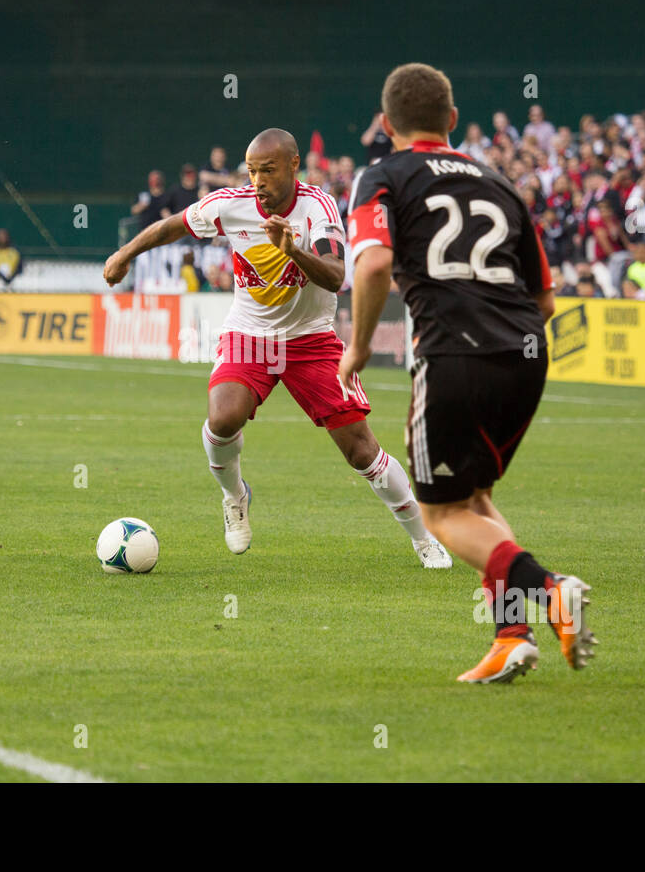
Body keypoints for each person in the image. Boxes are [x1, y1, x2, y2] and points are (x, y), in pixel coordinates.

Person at [339, 63, 594, 685]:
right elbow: (546, 299)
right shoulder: (498, 182)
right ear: (452, 121)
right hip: (526, 355)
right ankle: (513, 636)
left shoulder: (383, 176)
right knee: (474, 499)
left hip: (453, 353)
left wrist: (360, 347)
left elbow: (372, 266)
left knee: (441, 515)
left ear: (385, 124)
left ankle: (552, 590)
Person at [104, 127, 452, 569]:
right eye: (251, 171)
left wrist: (292, 251)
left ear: (292, 165)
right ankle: (235, 496)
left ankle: (423, 538)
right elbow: (171, 226)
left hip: (312, 339)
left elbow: (334, 274)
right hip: (250, 335)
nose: (258, 181)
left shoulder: (318, 208)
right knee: (222, 417)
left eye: (267, 171)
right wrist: (124, 254)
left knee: (361, 451)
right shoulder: (231, 205)